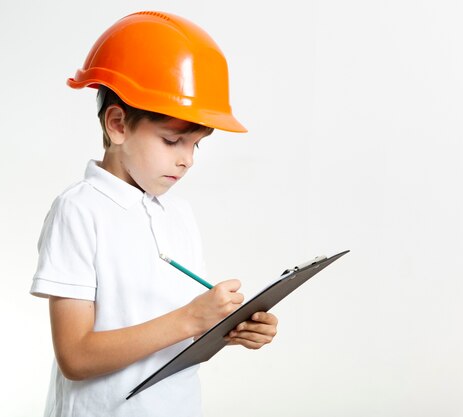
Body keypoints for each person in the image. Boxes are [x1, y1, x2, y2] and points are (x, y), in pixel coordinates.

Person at [29, 11, 278, 417]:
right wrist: (190, 319)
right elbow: (75, 357)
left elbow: (173, 345)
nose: (187, 161)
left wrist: (224, 328)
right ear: (117, 125)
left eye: (195, 145)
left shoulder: (178, 214)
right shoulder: (78, 211)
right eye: (172, 140)